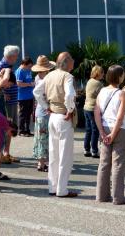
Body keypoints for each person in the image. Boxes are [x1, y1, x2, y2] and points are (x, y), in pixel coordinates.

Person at [34, 52, 77, 198]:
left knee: (53, 154)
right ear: (65, 62)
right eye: (71, 59)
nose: (73, 61)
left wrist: (46, 106)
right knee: (65, 156)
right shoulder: (67, 76)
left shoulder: (49, 76)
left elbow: (36, 92)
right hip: (63, 117)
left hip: (52, 116)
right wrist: (70, 110)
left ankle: (53, 187)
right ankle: (62, 189)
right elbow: (70, 94)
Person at [95, 65, 125, 205]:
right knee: (118, 164)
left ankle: (101, 195)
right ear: (119, 77)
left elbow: (96, 112)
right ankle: (118, 197)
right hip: (119, 129)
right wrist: (114, 133)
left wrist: (102, 132)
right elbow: (120, 117)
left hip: (104, 126)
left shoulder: (102, 91)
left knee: (104, 163)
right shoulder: (122, 94)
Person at [0, 45, 20, 164]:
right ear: (12, 56)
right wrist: (3, 93)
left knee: (10, 126)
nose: (17, 58)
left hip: (11, 101)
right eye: (16, 56)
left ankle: (6, 153)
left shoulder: (7, 65)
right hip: (6, 103)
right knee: (7, 126)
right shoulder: (3, 65)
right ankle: (2, 153)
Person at [31, 56, 55, 172]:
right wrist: (47, 106)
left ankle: (40, 163)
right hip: (45, 111)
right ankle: (43, 163)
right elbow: (37, 93)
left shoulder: (37, 77)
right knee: (46, 138)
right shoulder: (44, 79)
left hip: (39, 111)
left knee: (40, 137)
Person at [83, 65, 104, 158]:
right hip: (93, 108)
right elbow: (102, 96)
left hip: (86, 107)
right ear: (98, 73)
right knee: (95, 130)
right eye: (102, 73)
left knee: (88, 130)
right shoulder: (99, 84)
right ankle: (94, 150)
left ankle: (86, 149)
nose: (103, 75)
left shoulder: (89, 81)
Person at [15, 57, 35, 137]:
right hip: (22, 97)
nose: (30, 68)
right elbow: (19, 84)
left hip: (29, 95)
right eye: (29, 66)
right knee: (23, 114)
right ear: (24, 64)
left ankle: (27, 130)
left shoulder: (28, 70)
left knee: (29, 114)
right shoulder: (19, 71)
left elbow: (29, 80)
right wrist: (29, 84)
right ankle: (21, 131)